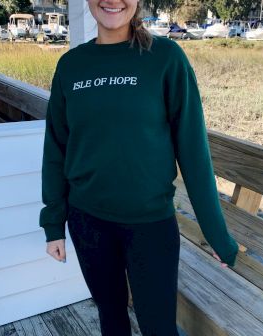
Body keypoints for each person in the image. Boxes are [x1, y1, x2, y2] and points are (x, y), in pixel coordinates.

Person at [39, 0, 239, 335]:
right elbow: (56, 149)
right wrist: (54, 223)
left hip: (151, 225)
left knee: (159, 327)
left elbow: (193, 152)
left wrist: (216, 234)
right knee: (111, 318)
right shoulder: (71, 66)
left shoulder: (165, 58)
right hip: (88, 221)